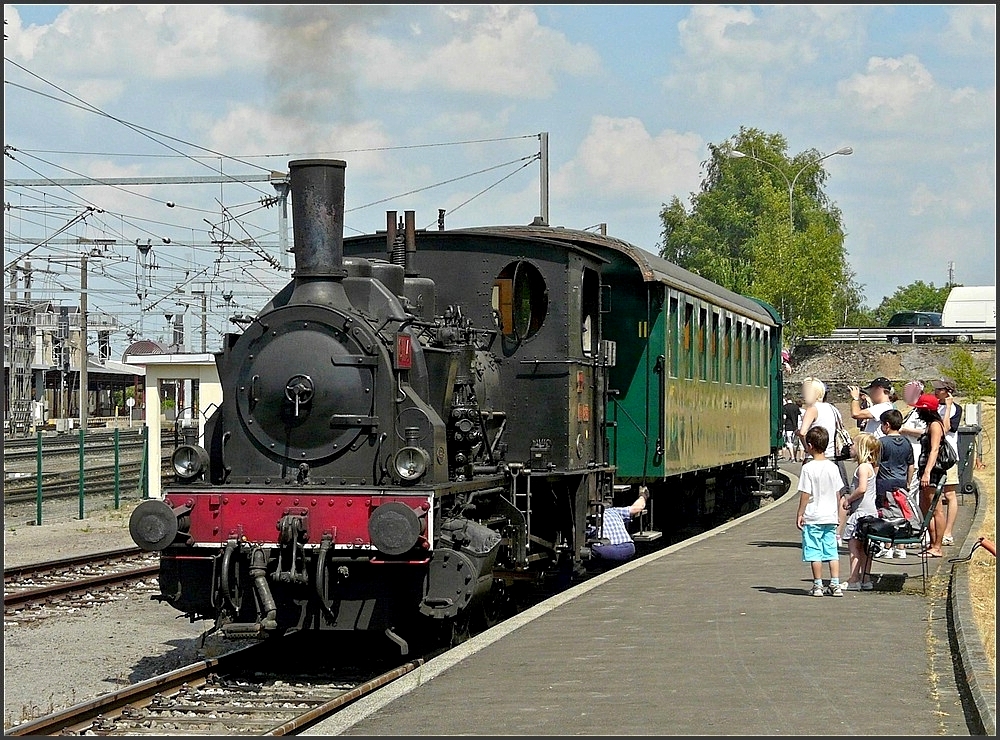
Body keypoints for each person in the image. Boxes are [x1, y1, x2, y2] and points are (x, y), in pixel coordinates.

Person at [795, 426, 844, 597]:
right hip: (830, 516)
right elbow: (838, 493)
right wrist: (837, 513)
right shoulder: (833, 467)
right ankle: (835, 584)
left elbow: (805, 494)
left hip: (813, 516)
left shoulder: (808, 468)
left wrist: (800, 513)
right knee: (831, 552)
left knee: (815, 552)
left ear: (809, 445)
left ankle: (817, 585)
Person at [797, 377, 849, 530]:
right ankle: (837, 531)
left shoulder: (813, 409)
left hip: (817, 457)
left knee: (813, 494)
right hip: (834, 457)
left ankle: (814, 526)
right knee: (839, 494)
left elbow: (802, 432)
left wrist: (807, 448)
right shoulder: (833, 409)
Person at [841, 432, 880, 591]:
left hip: (862, 514)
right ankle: (866, 577)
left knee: (854, 546)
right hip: (869, 511)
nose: (850, 447)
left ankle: (853, 578)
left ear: (862, 449)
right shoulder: (869, 467)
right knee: (865, 548)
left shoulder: (862, 468)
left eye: (853, 444)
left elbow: (862, 488)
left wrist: (849, 500)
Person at [873, 408, 915, 559]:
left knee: (886, 514)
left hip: (884, 483)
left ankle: (887, 546)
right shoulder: (906, 442)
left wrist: (872, 480)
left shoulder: (881, 443)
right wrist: (908, 482)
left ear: (887, 425)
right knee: (901, 513)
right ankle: (901, 547)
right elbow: (911, 464)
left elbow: (876, 464)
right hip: (902, 482)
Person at [912, 393, 947, 558]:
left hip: (932, 472)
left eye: (920, 409)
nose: (918, 412)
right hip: (926, 471)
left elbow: (934, 450)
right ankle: (932, 544)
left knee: (936, 509)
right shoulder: (930, 425)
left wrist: (927, 472)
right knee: (927, 509)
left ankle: (937, 546)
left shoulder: (934, 425)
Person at [931, 377, 962, 546]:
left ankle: (948, 532)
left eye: (939, 390)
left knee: (949, 493)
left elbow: (946, 428)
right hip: (932, 455)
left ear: (948, 392)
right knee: (932, 494)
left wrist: (948, 407)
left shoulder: (955, 409)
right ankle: (934, 531)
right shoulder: (934, 407)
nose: (936, 392)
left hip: (947, 456)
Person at [588, 486, 650, 564]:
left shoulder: (592, 517)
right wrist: (643, 495)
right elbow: (638, 507)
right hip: (628, 548)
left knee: (590, 547)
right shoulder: (615, 511)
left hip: (607, 551)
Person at [781, 396, 799, 461]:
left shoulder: (785, 407)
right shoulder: (796, 407)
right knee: (795, 442)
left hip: (788, 426)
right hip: (795, 426)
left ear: (786, 399)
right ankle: (795, 456)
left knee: (789, 442)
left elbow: (784, 417)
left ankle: (792, 457)